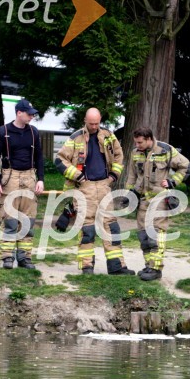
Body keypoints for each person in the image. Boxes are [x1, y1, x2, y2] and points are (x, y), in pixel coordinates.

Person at [55, 107, 134, 276]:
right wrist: (78, 176)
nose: (94, 127)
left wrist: (113, 175)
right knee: (87, 229)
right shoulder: (75, 138)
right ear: (85, 120)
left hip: (104, 186)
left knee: (111, 227)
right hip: (85, 188)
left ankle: (116, 267)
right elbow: (60, 160)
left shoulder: (107, 135)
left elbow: (119, 155)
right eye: (91, 123)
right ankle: (87, 267)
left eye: (97, 123)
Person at [125, 127, 190, 281]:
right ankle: (149, 265)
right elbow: (132, 175)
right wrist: (129, 194)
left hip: (159, 199)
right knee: (143, 235)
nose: (138, 145)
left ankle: (156, 268)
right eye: (136, 142)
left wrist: (173, 181)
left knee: (156, 234)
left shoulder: (165, 150)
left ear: (149, 139)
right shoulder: (135, 153)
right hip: (142, 200)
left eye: (140, 142)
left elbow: (185, 166)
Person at [0, 99, 44, 269]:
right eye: (29, 113)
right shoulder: (3, 131)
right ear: (18, 113)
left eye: (32, 114)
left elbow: (39, 158)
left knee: (27, 220)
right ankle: (7, 257)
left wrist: (41, 179)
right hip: (10, 177)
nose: (31, 116)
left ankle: (24, 258)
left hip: (29, 176)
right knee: (11, 219)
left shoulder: (34, 132)